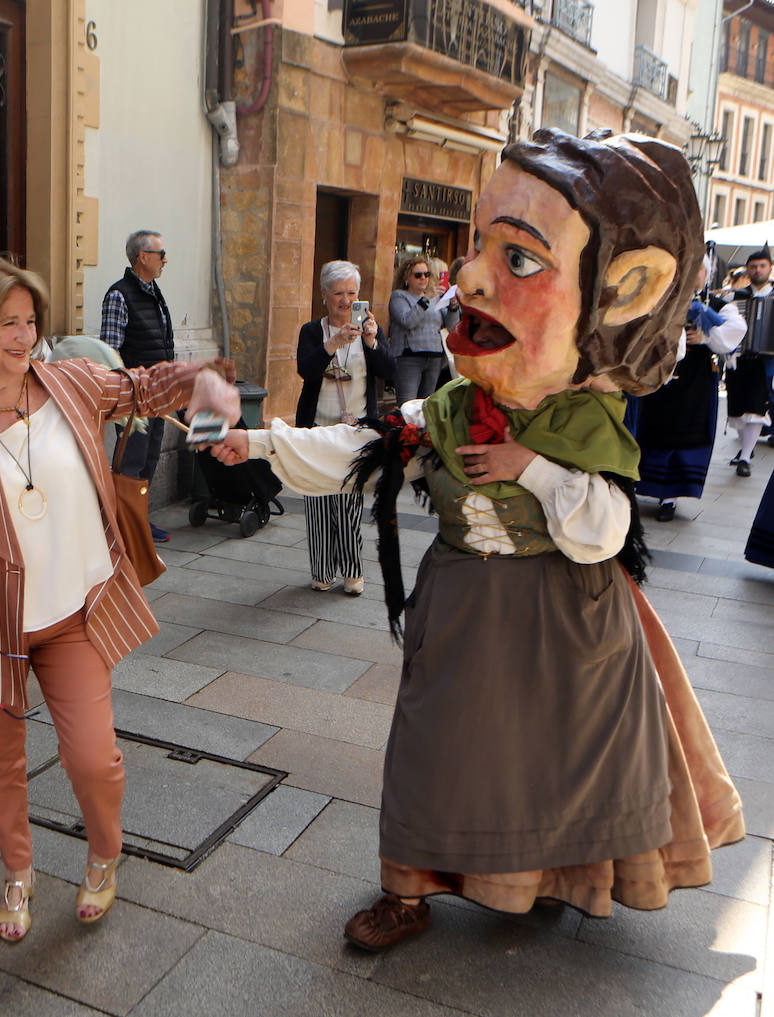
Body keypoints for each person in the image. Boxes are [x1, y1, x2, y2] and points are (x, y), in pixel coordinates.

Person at [207, 129, 744, 952]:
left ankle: (544, 877)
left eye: (518, 258)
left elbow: (605, 530)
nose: (467, 280)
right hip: (462, 606)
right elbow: (361, 446)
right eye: (479, 248)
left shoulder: (586, 417)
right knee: (431, 748)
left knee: (551, 761)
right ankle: (407, 892)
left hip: (571, 617)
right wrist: (260, 443)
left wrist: (532, 465)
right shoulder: (450, 408)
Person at [0, 255, 237, 944]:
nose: (25, 336)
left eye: (30, 321)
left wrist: (199, 378)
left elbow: (140, 386)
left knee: (93, 756)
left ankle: (104, 855)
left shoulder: (68, 380)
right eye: (7, 323)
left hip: (72, 614)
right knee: (0, 760)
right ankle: (17, 872)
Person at [294, 261, 394, 595]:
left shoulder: (369, 330)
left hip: (356, 431)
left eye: (352, 293)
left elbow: (389, 370)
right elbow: (306, 371)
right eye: (338, 293)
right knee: (318, 500)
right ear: (324, 295)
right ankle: (322, 571)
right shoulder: (312, 331)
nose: (346, 300)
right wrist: (334, 342)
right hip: (317, 429)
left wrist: (373, 341)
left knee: (350, 502)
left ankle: (352, 572)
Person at [628, 256, 745, 520]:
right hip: (661, 375)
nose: (693, 274)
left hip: (696, 379)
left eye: (698, 269)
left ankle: (669, 497)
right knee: (653, 428)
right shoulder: (660, 299)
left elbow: (733, 334)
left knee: (685, 433)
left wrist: (706, 334)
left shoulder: (717, 304)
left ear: (706, 273)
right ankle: (642, 485)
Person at [99, 229, 175, 543]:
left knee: (149, 459)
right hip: (134, 399)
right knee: (131, 461)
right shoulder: (119, 295)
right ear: (143, 257)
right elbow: (110, 354)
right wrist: (125, 396)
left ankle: (138, 521)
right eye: (161, 254)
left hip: (157, 395)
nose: (165, 260)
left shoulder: (153, 292)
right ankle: (124, 527)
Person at [726, 247, 774, 475]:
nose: (758, 270)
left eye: (762, 266)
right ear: (747, 270)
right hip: (739, 355)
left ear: (770, 268)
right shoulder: (737, 296)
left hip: (766, 359)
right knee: (737, 405)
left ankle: (745, 457)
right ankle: (747, 448)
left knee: (757, 406)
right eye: (753, 267)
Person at [387, 254, 454, 404]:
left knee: (426, 405)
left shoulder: (434, 298)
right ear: (406, 278)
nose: (423, 278)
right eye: (418, 275)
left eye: (426, 274)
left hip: (434, 356)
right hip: (409, 357)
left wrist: (453, 305)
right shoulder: (399, 296)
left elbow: (451, 325)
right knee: (407, 405)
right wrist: (425, 300)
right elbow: (407, 321)